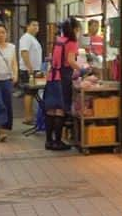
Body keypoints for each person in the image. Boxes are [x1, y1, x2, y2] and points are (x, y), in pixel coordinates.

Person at [42, 17, 80, 151]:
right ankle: (57, 142)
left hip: (52, 76)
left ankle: (48, 141)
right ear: (75, 29)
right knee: (60, 110)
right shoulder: (72, 42)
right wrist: (82, 69)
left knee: (50, 109)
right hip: (62, 78)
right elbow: (70, 61)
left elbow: (53, 58)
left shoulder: (58, 41)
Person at [18, 20, 43, 124]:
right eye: (33, 25)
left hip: (35, 69)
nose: (36, 27)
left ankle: (31, 116)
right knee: (29, 93)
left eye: (37, 25)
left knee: (33, 93)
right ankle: (28, 117)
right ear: (27, 26)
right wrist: (30, 68)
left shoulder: (33, 38)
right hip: (28, 70)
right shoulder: (26, 38)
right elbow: (24, 52)